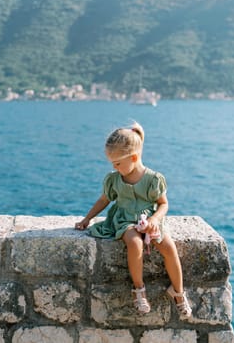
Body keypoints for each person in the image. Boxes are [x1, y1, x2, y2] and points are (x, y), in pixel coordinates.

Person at [75, 122, 192, 318]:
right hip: (124, 220)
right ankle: (139, 290)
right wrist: (87, 219)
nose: (114, 167)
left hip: (149, 220)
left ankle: (178, 292)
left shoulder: (153, 179)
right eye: (112, 164)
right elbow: (104, 200)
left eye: (117, 163)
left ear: (134, 157)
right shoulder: (114, 180)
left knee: (169, 248)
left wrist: (155, 219)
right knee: (134, 242)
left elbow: (163, 204)